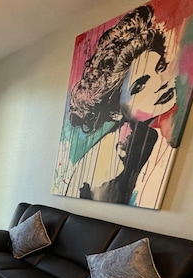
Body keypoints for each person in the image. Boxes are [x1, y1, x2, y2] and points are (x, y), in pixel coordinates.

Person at [62, 5, 177, 207]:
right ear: (115, 109)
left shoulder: (154, 141)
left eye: (160, 67)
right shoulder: (106, 162)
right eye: (140, 84)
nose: (161, 82)